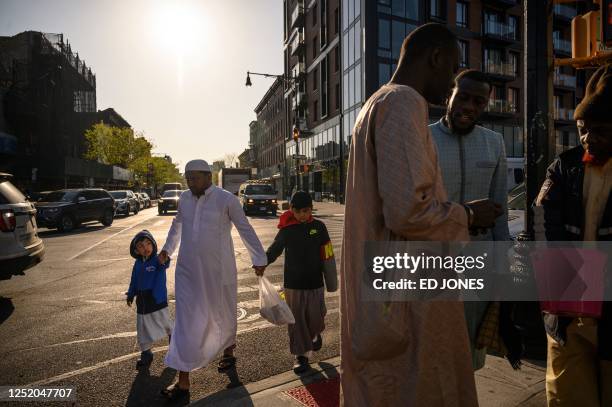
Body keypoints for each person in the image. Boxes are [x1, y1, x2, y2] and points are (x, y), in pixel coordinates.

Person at [340, 23, 503, 406]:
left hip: (394, 285)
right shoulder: (402, 103)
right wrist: (467, 215)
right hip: (407, 294)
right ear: (436, 58)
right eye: (452, 70)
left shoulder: (376, 104)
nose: (451, 83)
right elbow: (408, 211)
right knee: (423, 388)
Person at [158, 159, 267, 403]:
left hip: (219, 272)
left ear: (208, 176)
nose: (189, 182)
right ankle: (183, 381)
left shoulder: (226, 199)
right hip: (187, 271)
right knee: (185, 322)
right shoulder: (185, 198)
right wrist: (167, 249)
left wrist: (259, 257)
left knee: (225, 314)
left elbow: (244, 228)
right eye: (187, 178)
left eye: (194, 177)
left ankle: (228, 349)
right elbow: (177, 225)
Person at [536, 64, 612, 407]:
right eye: (582, 129)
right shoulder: (563, 167)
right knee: (567, 396)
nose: (588, 138)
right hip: (569, 309)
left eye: (599, 130)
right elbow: (541, 226)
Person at [430, 69, 512, 370]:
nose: (470, 106)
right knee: (433, 350)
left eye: (479, 101)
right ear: (448, 96)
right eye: (463, 97)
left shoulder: (495, 143)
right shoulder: (423, 139)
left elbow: (500, 208)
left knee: (470, 353)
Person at [262, 191, 337, 374]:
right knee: (296, 322)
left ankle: (315, 334)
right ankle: (300, 356)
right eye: (299, 211)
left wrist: (331, 281)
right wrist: (262, 262)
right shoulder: (287, 229)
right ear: (292, 210)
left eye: (306, 211)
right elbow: (275, 249)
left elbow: (327, 254)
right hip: (293, 284)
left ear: (311, 209)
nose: (303, 215)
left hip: (315, 283)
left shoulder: (319, 227)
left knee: (316, 318)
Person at [126, 230, 173, 368]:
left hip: (157, 301)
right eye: (141, 246)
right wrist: (130, 293)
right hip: (142, 303)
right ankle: (146, 354)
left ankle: (175, 346)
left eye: (148, 244)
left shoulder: (156, 260)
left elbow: (164, 263)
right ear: (136, 250)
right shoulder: (138, 263)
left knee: (166, 325)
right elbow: (134, 280)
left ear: (153, 245)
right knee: (142, 329)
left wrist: (165, 259)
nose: (145, 248)